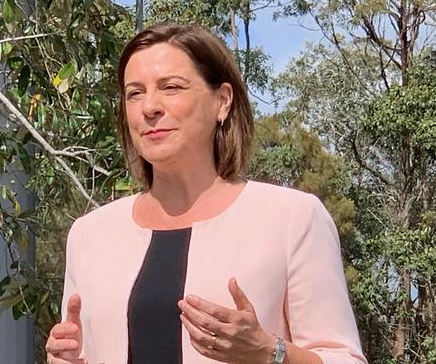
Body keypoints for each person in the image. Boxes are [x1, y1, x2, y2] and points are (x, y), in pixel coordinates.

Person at [45, 24, 367, 364]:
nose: (149, 107)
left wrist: (269, 353)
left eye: (171, 87)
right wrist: (63, 358)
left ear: (222, 102)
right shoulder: (89, 235)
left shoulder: (292, 217)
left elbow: (343, 358)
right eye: (134, 93)